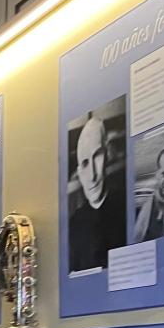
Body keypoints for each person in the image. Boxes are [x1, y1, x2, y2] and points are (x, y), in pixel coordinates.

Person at [69, 115, 127, 271]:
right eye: (86, 163)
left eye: (98, 156)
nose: (93, 175)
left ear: (107, 157)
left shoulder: (124, 205)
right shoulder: (74, 224)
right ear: (79, 172)